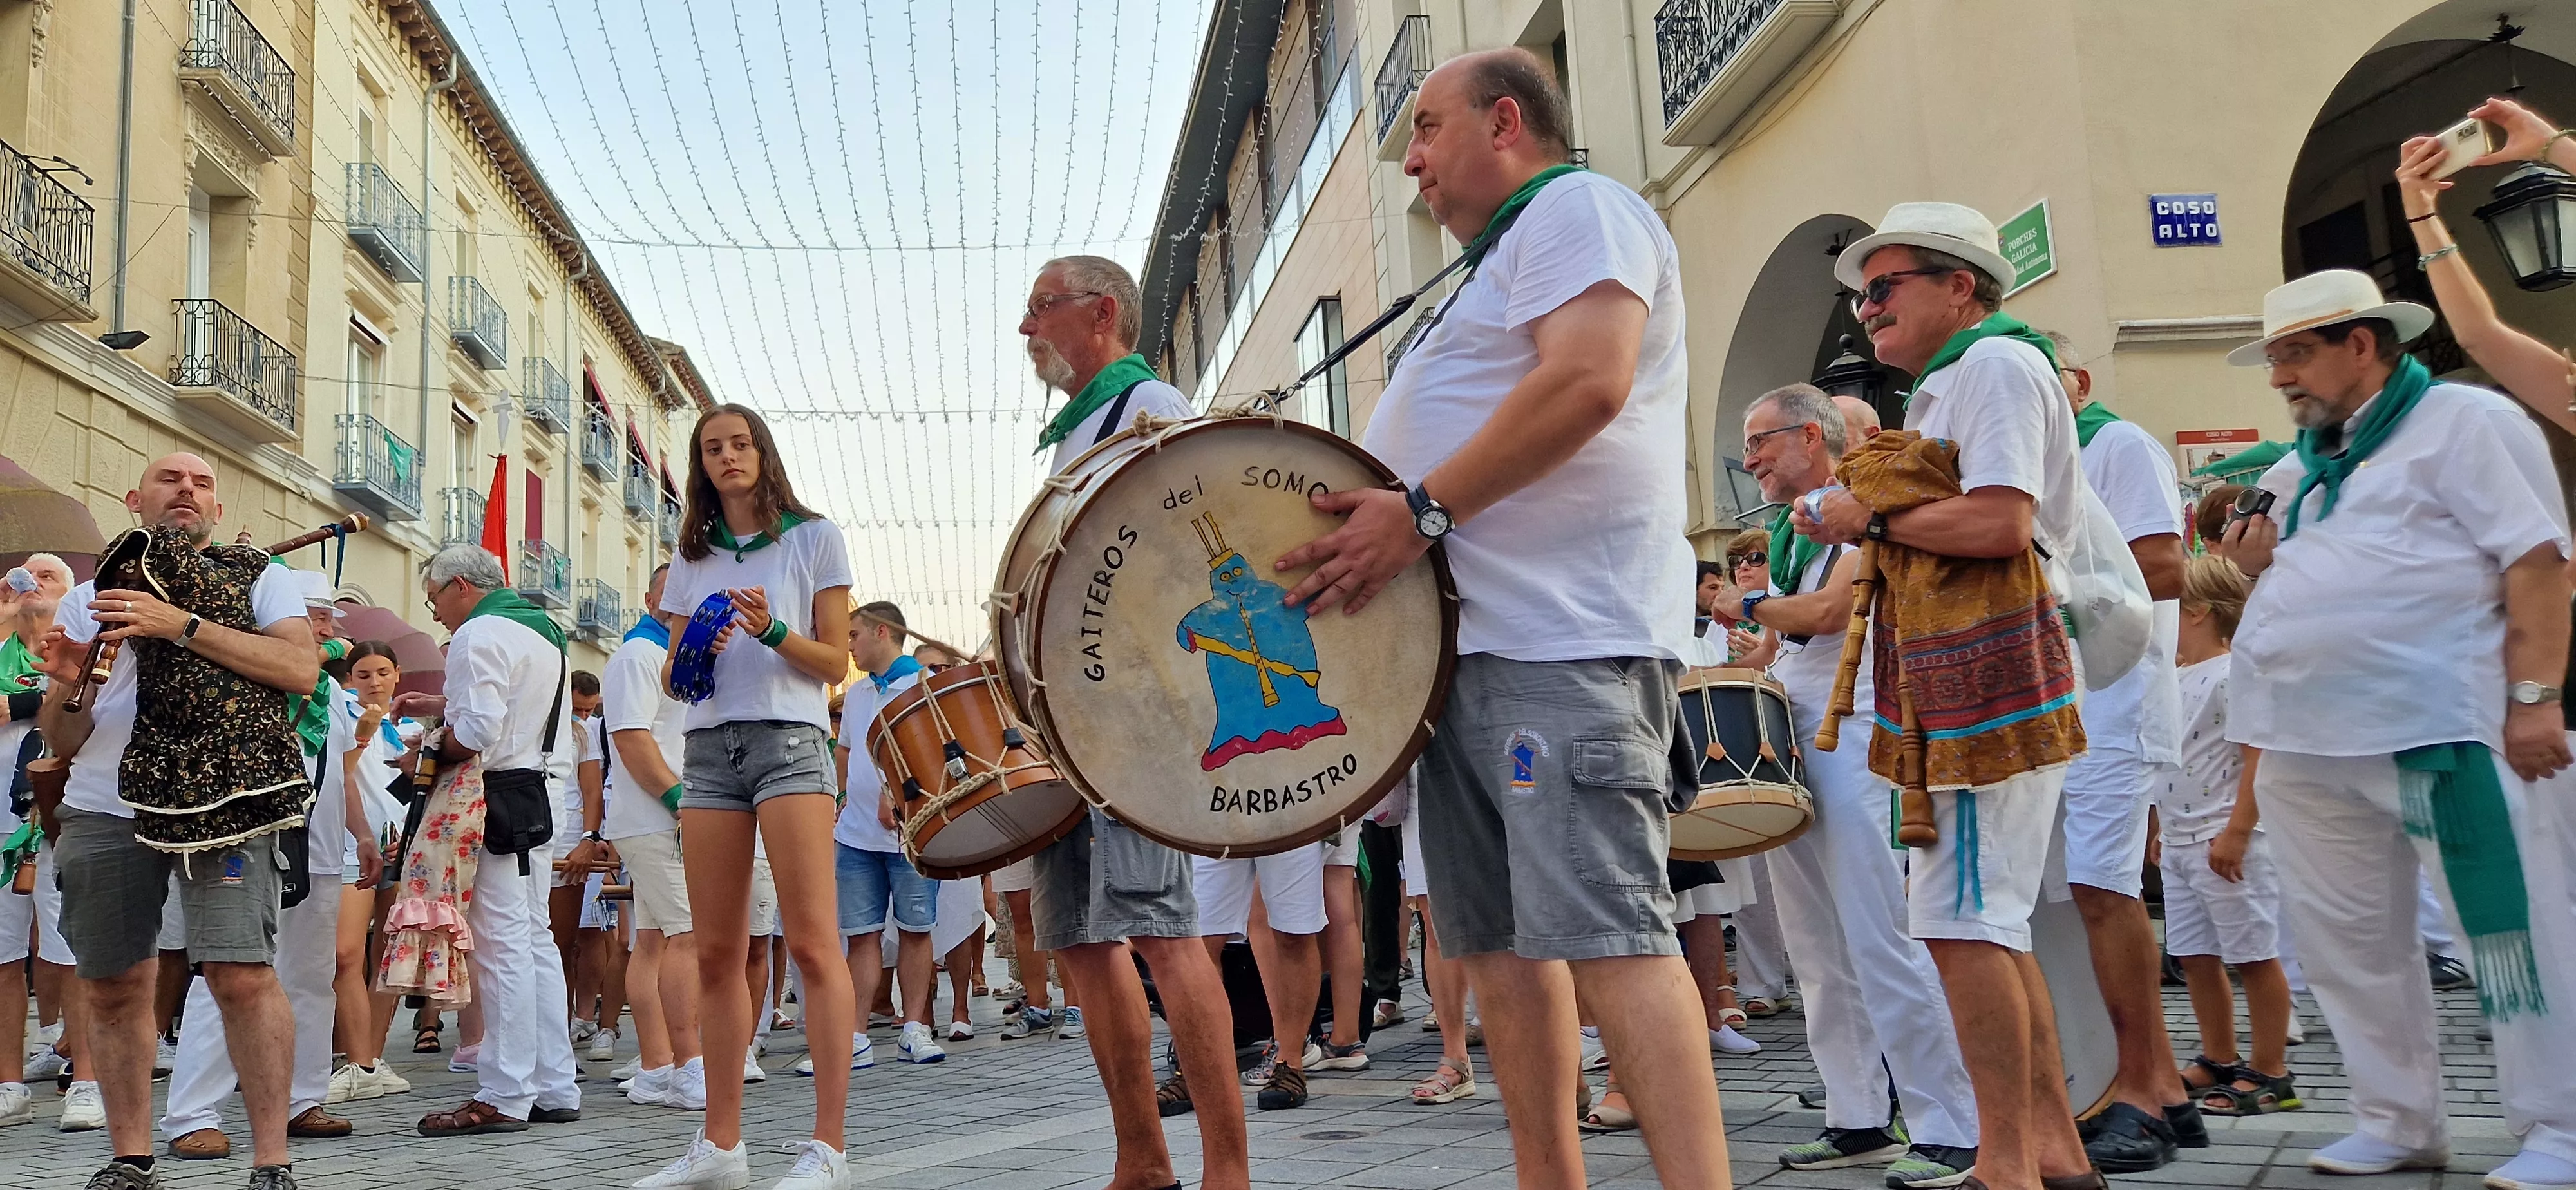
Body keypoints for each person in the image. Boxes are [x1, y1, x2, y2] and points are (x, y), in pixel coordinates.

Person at [1275, 48, 1726, 1188]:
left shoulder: (1578, 207)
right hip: (1469, 654)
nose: (1415, 161)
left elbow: (1588, 382)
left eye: (1426, 130)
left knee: (1615, 937)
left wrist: (1418, 512)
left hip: (1558, 641)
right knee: (1499, 950)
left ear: (1507, 121)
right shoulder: (1488, 265)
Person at [2216, 269, 2576, 1189]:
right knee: (2346, 944)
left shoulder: (2467, 422)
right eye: (2273, 358)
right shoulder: (2304, 463)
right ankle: (2397, 1117)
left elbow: (2538, 561)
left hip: (2435, 730)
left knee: (2507, 933)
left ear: (2362, 345)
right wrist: (2258, 567)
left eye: (2294, 355)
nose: (2277, 378)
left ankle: (2562, 1127)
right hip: (2304, 738)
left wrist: (2536, 698)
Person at [1797, 203, 2095, 1190]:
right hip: (1970, 675)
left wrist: (1866, 512)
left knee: (1964, 930)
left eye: (1884, 288)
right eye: (1861, 295)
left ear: (1959, 285)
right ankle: (2050, 1155)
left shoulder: (1997, 367)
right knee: (1986, 928)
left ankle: (2005, 1165)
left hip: (1985, 677)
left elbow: (2005, 522)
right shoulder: (1967, 377)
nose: (1866, 310)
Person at [1018, 252, 1250, 1190]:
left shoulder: (1154, 404)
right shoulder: (1077, 431)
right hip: (1069, 716)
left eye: (1041, 309)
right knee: (1078, 936)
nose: (1026, 329)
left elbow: (1196, 548)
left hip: (1137, 712)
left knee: (1160, 930)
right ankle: (1141, 1158)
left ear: (1101, 312)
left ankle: (1227, 1169)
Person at [35, 453, 321, 1189]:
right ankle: (131, 1158)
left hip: (223, 802)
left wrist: (181, 625)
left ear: (217, 510)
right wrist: (69, 687)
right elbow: (62, 743)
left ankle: (271, 1165)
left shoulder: (258, 575)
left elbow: (298, 670)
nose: (186, 491)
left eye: (201, 484)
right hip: (104, 803)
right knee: (112, 984)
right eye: (170, 480)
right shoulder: (93, 594)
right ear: (136, 500)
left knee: (240, 975)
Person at [1723, 382, 1982, 1187]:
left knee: (1879, 931)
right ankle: (1857, 1114)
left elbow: (1835, 613)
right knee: (1813, 943)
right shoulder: (1786, 528)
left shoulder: (1862, 501)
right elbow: (1786, 642)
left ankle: (1949, 1123)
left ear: (1809, 437)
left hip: (1857, 734)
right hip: (1796, 733)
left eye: (1760, 442)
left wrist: (1750, 603)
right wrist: (1754, 647)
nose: (1750, 460)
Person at [634, 403, 856, 1190]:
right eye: (712, 447)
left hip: (790, 742)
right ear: (700, 463)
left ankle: (827, 1150)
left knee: (811, 945)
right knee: (719, 952)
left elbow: (835, 663)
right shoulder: (692, 553)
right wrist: (698, 642)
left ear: (763, 452)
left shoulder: (813, 536)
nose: (728, 457)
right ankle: (720, 1147)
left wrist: (767, 633)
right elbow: (669, 677)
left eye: (740, 443)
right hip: (708, 750)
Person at [2037, 328, 2199, 1171]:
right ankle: (2151, 1080)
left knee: (2106, 890)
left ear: (2078, 380)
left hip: (2117, 697)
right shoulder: (2036, 457)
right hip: (2065, 707)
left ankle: (2145, 1088)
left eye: (2042, 372)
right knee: (2081, 896)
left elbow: (2166, 569)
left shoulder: (2115, 442)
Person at [395, 545, 583, 1138]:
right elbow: (515, 710)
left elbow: (478, 731)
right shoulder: (542, 630)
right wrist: (445, 705)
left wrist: (425, 750)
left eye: (435, 600)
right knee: (533, 941)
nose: (438, 615)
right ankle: (554, 1083)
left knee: (500, 947)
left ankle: (505, 1092)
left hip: (492, 795)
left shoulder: (478, 635)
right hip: (539, 789)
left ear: (459, 587)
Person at [2152, 557, 2298, 1118]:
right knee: (2193, 955)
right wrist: (2163, 828)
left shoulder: (2232, 674)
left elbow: (2256, 754)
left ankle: (2271, 1070)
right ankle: (2219, 1055)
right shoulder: (2178, 674)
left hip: (2226, 841)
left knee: (2254, 955)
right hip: (2184, 840)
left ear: (2196, 611)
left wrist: (2239, 830)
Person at [587, 564, 706, 1111]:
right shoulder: (640, 654)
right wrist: (679, 800)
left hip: (653, 818)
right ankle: (689, 1067)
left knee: (657, 939)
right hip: (661, 816)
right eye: (670, 591)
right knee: (687, 936)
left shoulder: (666, 653)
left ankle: (659, 1065)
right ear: (651, 597)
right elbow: (631, 739)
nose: (679, 600)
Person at [820, 601, 940, 1074]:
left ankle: (916, 1029)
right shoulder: (856, 694)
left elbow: (936, 753)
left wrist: (899, 797)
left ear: (883, 633)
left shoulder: (925, 684)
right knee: (861, 936)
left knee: (916, 929)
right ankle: (855, 1036)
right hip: (855, 836)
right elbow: (846, 748)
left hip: (912, 834)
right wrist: (845, 794)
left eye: (854, 635)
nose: (848, 645)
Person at [0, 552, 75, 1129]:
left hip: (62, 820)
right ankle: (9, 1085)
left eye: (48, 575)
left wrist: (20, 703)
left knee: (72, 953)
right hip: (2, 828)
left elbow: (76, 701)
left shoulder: (78, 641)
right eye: (26, 574)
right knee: (2, 959)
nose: (31, 582)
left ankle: (89, 1078)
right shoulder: (1, 643)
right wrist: (5, 620)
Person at [325, 641, 415, 1105]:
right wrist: (363, 733)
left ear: (397, 674)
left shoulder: (409, 727)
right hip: (348, 845)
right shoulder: (338, 708)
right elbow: (341, 774)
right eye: (363, 674)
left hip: (402, 847)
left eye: (383, 672)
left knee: (389, 958)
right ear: (350, 678)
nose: (374, 682)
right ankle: (354, 1057)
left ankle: (372, 1060)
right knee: (345, 954)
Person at [1189, 844, 1328, 1109]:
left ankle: (1290, 1062)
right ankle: (1197, 1068)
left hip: (1290, 811)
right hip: (1215, 814)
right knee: (1199, 938)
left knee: (1294, 932)